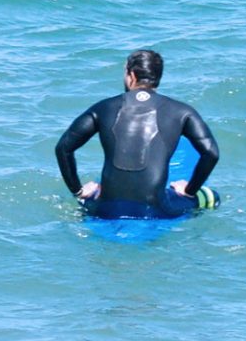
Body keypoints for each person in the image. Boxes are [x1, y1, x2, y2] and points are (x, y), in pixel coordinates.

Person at [55, 49, 220, 219]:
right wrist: (189, 190)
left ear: (131, 75)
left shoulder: (103, 108)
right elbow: (211, 153)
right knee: (212, 196)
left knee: (85, 201)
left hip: (104, 209)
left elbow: (63, 148)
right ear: (158, 77)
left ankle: (84, 211)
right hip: (158, 209)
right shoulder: (183, 112)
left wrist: (79, 191)